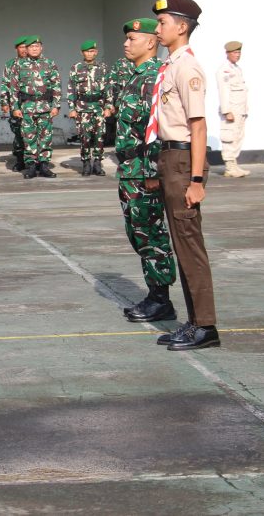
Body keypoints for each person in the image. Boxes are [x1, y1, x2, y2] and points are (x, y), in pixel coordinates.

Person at [151, 0, 219, 351]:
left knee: (190, 246)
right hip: (170, 158)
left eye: (163, 23)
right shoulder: (170, 65)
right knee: (181, 243)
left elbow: (198, 126)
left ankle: (205, 326)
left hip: (182, 161)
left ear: (181, 27)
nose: (157, 29)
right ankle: (194, 323)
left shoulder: (186, 67)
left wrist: (195, 180)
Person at [114, 18, 178, 323]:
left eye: (132, 39)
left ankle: (160, 299)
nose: (126, 44)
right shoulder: (136, 76)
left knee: (151, 234)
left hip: (144, 171)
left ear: (151, 42)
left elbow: (157, 129)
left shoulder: (155, 77)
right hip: (130, 169)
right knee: (138, 233)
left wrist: (153, 172)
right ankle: (155, 295)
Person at [10, 35, 61, 179]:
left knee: (45, 137)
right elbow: (13, 88)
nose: (34, 49)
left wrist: (56, 106)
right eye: (31, 46)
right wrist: (15, 107)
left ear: (41, 48)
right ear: (26, 49)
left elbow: (56, 86)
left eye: (37, 46)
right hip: (27, 107)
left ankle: (44, 166)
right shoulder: (18, 65)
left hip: (45, 107)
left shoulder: (50, 64)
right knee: (28, 138)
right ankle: (31, 166)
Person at [67, 39, 109, 176]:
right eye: (87, 51)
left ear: (96, 52)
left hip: (99, 107)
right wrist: (72, 108)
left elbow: (108, 88)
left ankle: (97, 163)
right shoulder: (76, 68)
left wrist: (108, 106)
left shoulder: (103, 68)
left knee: (100, 136)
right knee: (84, 137)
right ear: (82, 53)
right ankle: (86, 163)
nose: (90, 54)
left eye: (92, 51)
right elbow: (71, 89)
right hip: (82, 108)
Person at [217, 41, 250, 178]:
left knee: (238, 137)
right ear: (228, 53)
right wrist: (226, 111)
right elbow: (224, 91)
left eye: (239, 52)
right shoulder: (225, 70)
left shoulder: (236, 68)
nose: (237, 55)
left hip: (240, 109)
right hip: (232, 109)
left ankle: (234, 165)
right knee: (229, 137)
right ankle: (229, 166)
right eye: (235, 52)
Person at [0, 37, 28, 171]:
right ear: (16, 48)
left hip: (33, 103)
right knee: (18, 131)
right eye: (21, 47)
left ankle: (35, 161)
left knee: (34, 132)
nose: (24, 50)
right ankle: (20, 160)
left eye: (26, 47)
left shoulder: (35, 63)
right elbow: (5, 84)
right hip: (16, 103)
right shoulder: (10, 64)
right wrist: (4, 102)